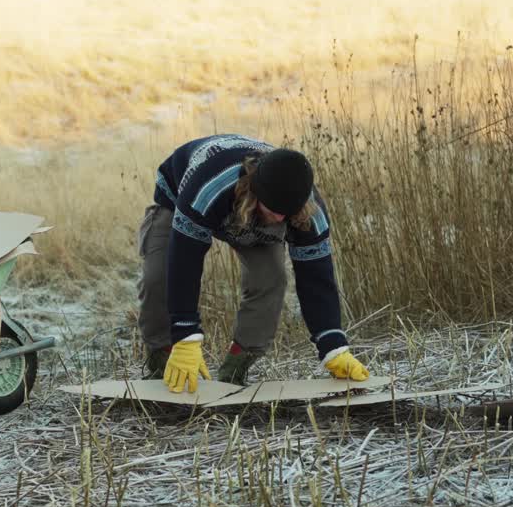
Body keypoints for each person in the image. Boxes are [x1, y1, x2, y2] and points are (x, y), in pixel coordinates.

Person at [136, 134, 370, 393]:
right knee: (158, 275)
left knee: (271, 278)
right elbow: (183, 263)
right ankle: (163, 362)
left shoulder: (308, 211)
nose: (280, 217)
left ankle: (235, 369)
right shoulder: (209, 188)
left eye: (287, 213)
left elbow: (317, 279)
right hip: (181, 195)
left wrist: (333, 346)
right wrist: (186, 336)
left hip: (251, 211)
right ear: (257, 191)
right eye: (274, 210)